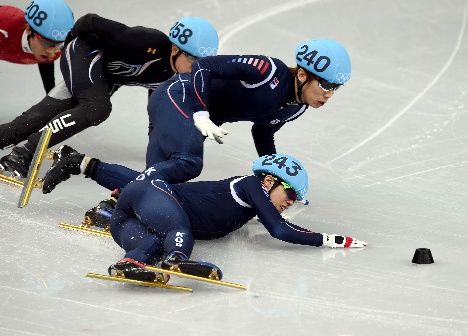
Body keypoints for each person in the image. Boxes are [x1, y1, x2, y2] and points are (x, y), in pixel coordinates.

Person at [41, 38, 352, 214]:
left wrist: (274, 179)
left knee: (159, 189)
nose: (329, 93)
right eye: (325, 84)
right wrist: (202, 113)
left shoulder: (296, 108)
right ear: (302, 75)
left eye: (336, 88)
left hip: (190, 117)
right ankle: (100, 186)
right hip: (179, 95)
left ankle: (93, 178)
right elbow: (204, 65)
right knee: (188, 163)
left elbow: (263, 130)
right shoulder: (266, 69)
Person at [0, 14, 218, 177]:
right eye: (192, 60)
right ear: (174, 49)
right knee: (97, 108)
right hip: (86, 52)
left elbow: (159, 106)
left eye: (202, 64)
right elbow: (89, 22)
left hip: (106, 77)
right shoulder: (145, 42)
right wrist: (69, 53)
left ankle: (15, 145)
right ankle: (26, 151)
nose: (196, 69)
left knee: (34, 119)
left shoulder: (178, 76)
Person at [106, 153, 367, 282]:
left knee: (150, 246)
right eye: (289, 192)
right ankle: (176, 260)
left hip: (128, 218)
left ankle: (126, 265)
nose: (290, 202)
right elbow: (280, 230)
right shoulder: (252, 185)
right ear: (268, 181)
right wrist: (333, 239)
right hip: (151, 194)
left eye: (295, 199)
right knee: (179, 229)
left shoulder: (253, 204)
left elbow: (281, 223)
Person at [0, 0, 74, 94]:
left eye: (58, 44)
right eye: (46, 43)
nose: (51, 51)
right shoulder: (5, 27)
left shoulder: (55, 51)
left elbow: (47, 72)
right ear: (28, 30)